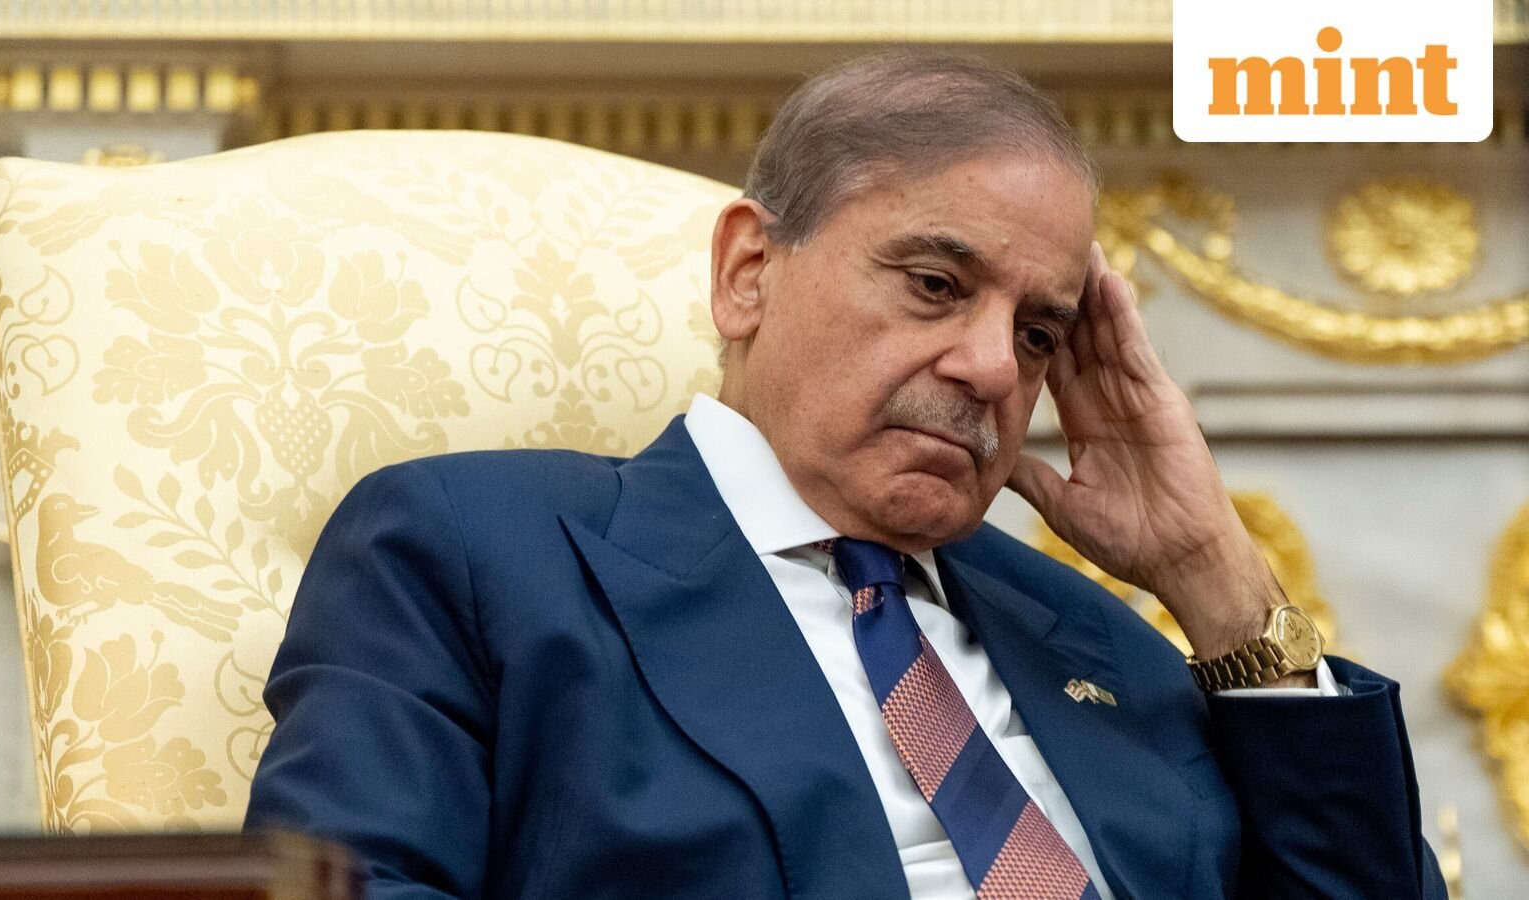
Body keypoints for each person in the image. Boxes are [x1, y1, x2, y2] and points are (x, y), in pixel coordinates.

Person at [244, 50, 1445, 899]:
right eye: (934, 285)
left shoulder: (1092, 638)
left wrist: (1213, 575)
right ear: (748, 272)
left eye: (1037, 332)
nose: (991, 367)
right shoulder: (473, 550)